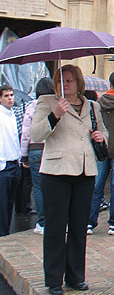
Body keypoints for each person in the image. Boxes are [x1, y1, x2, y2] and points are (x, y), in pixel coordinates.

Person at [30, 65, 108, 295]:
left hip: (84, 171)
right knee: (55, 228)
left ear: (79, 83)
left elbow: (104, 132)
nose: (66, 85)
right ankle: (54, 279)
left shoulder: (92, 106)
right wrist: (55, 116)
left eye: (71, 80)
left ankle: (76, 276)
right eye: (61, 81)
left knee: (78, 227)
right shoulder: (47, 103)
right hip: (56, 172)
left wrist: (101, 136)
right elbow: (36, 134)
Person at [87, 70, 114, 236]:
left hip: (101, 149)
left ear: (110, 84)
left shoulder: (98, 103)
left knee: (96, 186)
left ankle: (89, 222)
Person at [20, 77, 55, 234]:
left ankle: (42, 222)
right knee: (54, 185)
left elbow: (26, 132)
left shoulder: (32, 106)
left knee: (39, 187)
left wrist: (24, 154)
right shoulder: (57, 106)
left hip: (35, 149)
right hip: (51, 148)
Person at [0, 84, 21, 237]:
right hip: (4, 164)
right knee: (2, 202)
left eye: (11, 95)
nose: (10, 99)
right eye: (6, 96)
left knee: (10, 202)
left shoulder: (12, 114)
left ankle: (5, 231)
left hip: (14, 162)